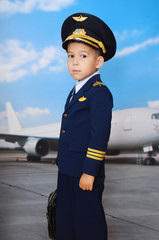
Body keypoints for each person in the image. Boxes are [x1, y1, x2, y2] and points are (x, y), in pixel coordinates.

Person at [55, 12, 116, 240]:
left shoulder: (99, 93)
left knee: (87, 221)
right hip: (68, 168)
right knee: (66, 218)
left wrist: (89, 172)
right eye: (70, 56)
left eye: (83, 55)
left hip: (84, 171)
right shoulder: (76, 91)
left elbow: (99, 135)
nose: (75, 62)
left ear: (98, 61)